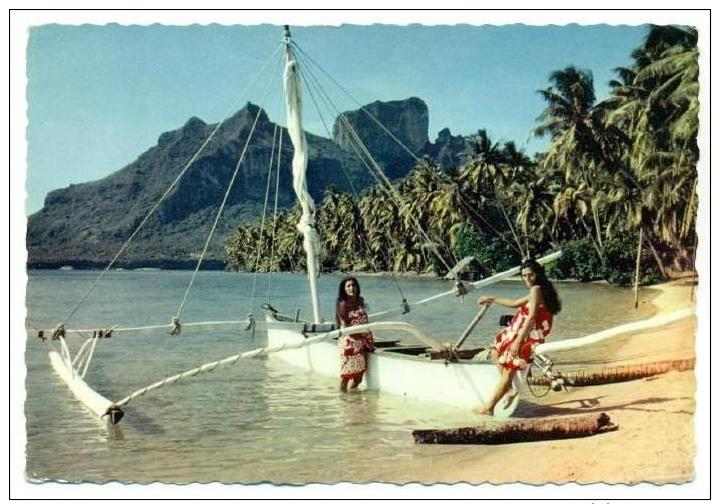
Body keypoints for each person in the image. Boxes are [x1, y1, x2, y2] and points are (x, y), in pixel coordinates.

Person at [474, 259, 561, 415]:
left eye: (530, 275)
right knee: (495, 349)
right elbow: (514, 303)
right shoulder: (541, 290)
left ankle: (489, 407)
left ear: (538, 274)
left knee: (508, 371)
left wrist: (519, 341)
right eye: (524, 276)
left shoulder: (536, 290)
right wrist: (492, 299)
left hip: (528, 336)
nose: (527, 279)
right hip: (529, 333)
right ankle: (509, 390)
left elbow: (532, 317)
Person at [336, 276, 375, 392]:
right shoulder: (343, 304)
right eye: (348, 286)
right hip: (350, 342)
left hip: (362, 341)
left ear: (357, 287)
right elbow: (344, 324)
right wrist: (359, 336)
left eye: (353, 285)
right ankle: (343, 399)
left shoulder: (361, 301)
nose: (351, 288)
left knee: (358, 377)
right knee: (346, 375)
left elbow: (365, 319)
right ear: (344, 289)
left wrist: (368, 340)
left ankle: (352, 399)